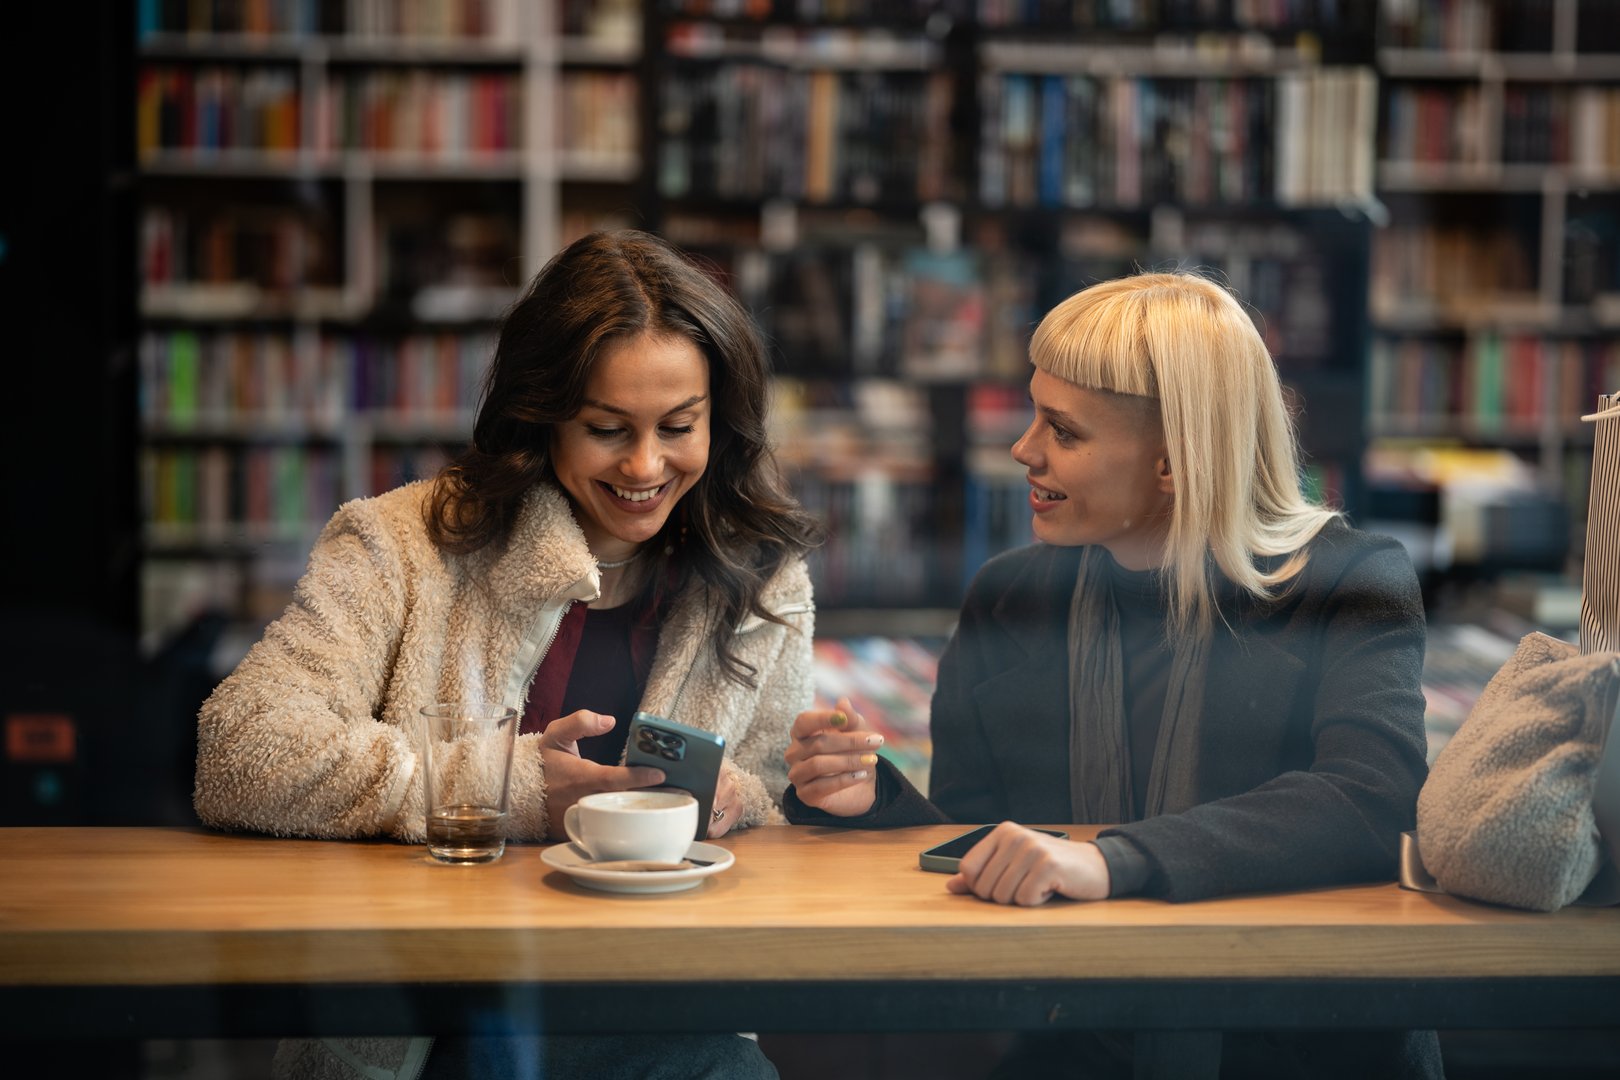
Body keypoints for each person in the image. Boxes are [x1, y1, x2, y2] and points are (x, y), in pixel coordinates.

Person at [782, 270, 1442, 1079]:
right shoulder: (1009, 597)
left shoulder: (1353, 581)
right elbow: (975, 833)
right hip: (1081, 1043)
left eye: (1063, 429)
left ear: (1173, 463)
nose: (1023, 449)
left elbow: (1372, 801)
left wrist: (1113, 860)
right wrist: (870, 801)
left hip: (1306, 1044)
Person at [195, 229, 820, 1080]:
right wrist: (506, 788)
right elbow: (240, 751)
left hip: (667, 1011)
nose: (645, 465)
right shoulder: (400, 545)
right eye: (607, 428)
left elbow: (774, 816)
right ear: (543, 414)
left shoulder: (762, 582)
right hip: (432, 1023)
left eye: (678, 426)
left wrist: (794, 798)